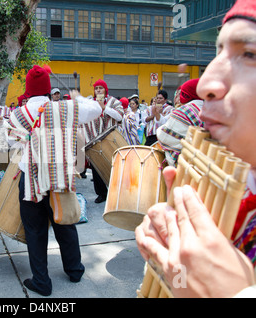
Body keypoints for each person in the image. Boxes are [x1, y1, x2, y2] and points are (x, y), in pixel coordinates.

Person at [135, 0, 256, 297]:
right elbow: (179, 284)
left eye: (249, 54)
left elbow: (164, 135)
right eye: (218, 51)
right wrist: (172, 273)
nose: (206, 84)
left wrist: (235, 293)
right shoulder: (237, 184)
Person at [6, 65, 103, 296]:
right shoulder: (66, 108)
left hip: (30, 179)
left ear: (27, 90)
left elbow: (12, 144)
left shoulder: (16, 114)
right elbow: (97, 109)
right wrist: (77, 96)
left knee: (35, 231)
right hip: (59, 175)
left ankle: (42, 281)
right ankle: (75, 270)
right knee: (65, 223)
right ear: (49, 89)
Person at [81, 79, 124, 203]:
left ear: (106, 90)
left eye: (101, 88)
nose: (98, 90)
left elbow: (120, 116)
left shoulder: (114, 102)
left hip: (110, 140)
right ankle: (102, 194)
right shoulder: (91, 103)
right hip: (94, 142)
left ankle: (117, 193)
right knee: (97, 169)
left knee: (115, 168)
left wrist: (105, 108)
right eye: (96, 88)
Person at [157, 78, 204, 166]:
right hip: (203, 163)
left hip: (185, 164)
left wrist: (159, 130)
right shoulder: (208, 109)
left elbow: (164, 137)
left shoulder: (184, 110)